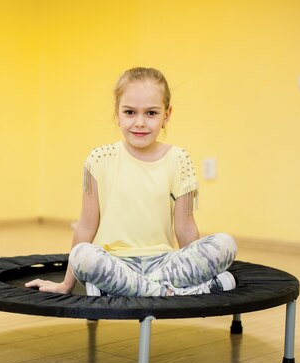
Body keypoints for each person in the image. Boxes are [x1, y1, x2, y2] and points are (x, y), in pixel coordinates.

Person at [26, 67, 237, 297]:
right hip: (116, 263)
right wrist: (66, 284)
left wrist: (196, 266)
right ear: (117, 113)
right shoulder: (98, 160)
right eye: (129, 112)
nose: (139, 122)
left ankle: (132, 289)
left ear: (166, 115)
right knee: (82, 255)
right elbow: (86, 226)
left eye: (151, 113)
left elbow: (185, 227)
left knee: (226, 244)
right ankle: (169, 292)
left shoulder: (179, 159)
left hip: (164, 264)